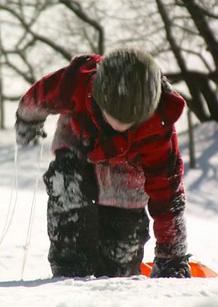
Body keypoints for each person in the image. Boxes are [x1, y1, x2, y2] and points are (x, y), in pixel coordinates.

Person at [15, 47, 190, 278]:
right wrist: (28, 119)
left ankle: (117, 278)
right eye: (113, 117)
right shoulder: (77, 82)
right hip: (78, 152)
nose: (120, 127)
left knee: (119, 255)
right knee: (69, 193)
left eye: (131, 122)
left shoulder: (158, 132)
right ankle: (70, 271)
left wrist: (172, 256)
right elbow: (42, 94)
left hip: (126, 179)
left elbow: (167, 194)